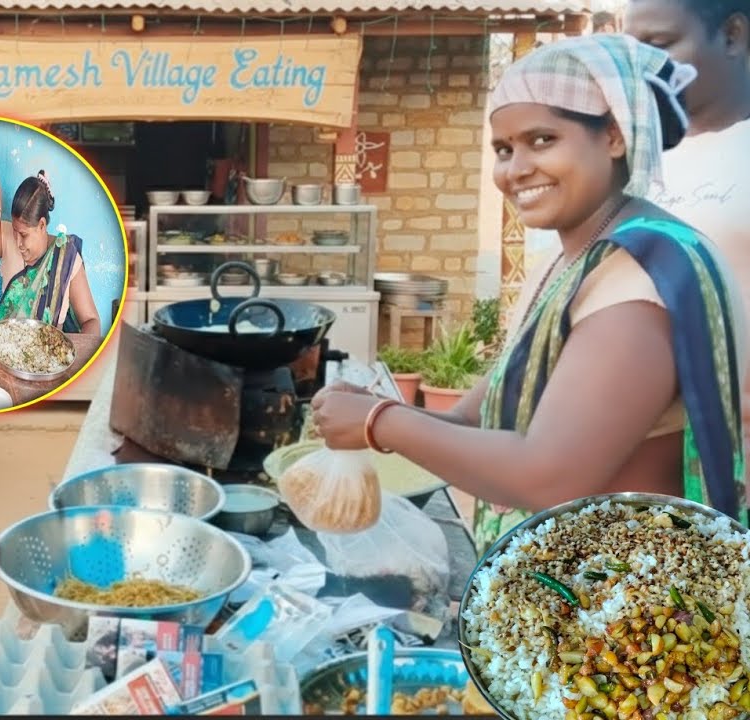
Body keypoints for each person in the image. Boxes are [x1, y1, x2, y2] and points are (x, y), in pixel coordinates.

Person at [310, 34, 749, 552]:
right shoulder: (572, 264)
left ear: (613, 136)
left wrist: (380, 422)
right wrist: (374, 411)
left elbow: (550, 476)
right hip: (572, 581)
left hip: (629, 602)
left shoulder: (639, 276)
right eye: (504, 149)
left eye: (543, 140)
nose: (516, 169)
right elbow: (472, 419)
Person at [626, 0, 750, 460]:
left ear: (733, 35)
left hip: (732, 449)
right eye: (630, 48)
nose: (640, 66)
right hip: (637, 452)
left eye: (658, 45)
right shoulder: (629, 160)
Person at [0, 171, 102, 334]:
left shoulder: (65, 257)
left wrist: (78, 354)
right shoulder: (8, 239)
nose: (18, 242)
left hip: (48, 354)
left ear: (42, 225)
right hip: (5, 350)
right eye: (15, 231)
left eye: (24, 234)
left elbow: (91, 320)